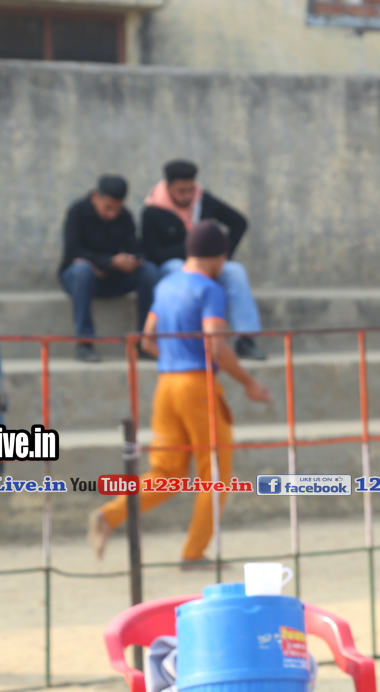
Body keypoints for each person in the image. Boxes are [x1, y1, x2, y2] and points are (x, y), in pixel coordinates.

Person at [87, 222, 272, 565]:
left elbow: (147, 340)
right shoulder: (211, 289)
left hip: (166, 385)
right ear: (219, 256)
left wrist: (175, 358)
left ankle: (108, 515)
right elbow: (216, 345)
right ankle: (194, 553)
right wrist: (248, 382)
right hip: (197, 386)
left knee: (167, 474)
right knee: (215, 474)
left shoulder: (166, 285)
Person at [142, 160, 266, 360]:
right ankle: (188, 342)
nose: (187, 196)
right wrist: (192, 250)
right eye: (181, 191)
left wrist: (221, 255)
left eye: (190, 190)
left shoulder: (203, 201)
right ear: (168, 186)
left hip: (208, 264)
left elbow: (239, 222)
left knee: (235, 271)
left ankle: (245, 340)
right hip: (174, 266)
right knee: (177, 269)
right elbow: (152, 252)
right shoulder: (152, 211)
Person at [59, 175, 160, 363]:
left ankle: (144, 341)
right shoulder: (77, 212)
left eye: (117, 208)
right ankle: (85, 344)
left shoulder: (125, 216)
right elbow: (73, 251)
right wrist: (108, 262)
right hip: (80, 279)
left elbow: (136, 249)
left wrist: (132, 261)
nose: (112, 214)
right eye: (108, 208)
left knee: (149, 272)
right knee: (82, 271)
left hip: (113, 278)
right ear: (95, 197)